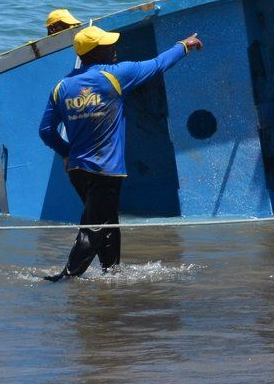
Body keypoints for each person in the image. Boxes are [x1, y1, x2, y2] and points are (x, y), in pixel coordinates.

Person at [37, 25, 202, 281]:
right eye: (108, 45)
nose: (114, 49)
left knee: (107, 220)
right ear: (95, 52)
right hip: (105, 170)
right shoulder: (115, 75)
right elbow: (158, 64)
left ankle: (111, 272)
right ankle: (66, 278)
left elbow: (46, 131)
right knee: (96, 226)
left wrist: (66, 152)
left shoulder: (61, 87)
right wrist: (183, 45)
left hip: (78, 171)